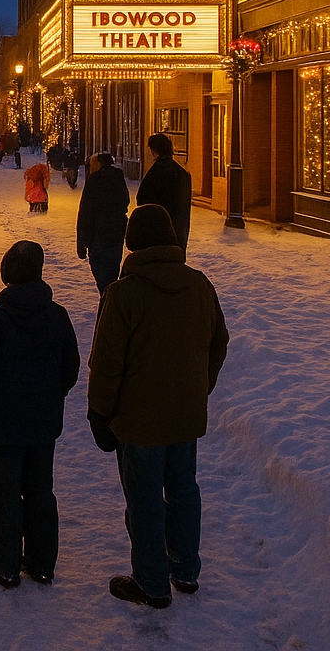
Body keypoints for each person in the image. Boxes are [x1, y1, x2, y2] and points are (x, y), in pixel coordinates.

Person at [87, 205, 229, 609]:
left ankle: (151, 581)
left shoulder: (123, 293)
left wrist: (100, 413)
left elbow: (107, 364)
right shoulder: (199, 285)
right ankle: (184, 569)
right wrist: (200, 386)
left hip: (138, 422)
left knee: (145, 499)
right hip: (185, 417)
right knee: (183, 490)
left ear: (133, 242)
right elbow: (219, 342)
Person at [0, 242, 80, 589]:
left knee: (6, 496)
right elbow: (69, 368)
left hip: (3, 428)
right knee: (41, 492)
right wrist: (49, 396)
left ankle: (7, 566)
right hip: (43, 424)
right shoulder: (57, 316)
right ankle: (42, 564)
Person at [76, 152, 130, 295]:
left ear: (99, 164)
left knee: (100, 270)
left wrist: (82, 240)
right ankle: (110, 295)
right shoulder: (118, 177)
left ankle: (108, 299)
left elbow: (86, 210)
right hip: (116, 232)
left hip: (98, 234)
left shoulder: (95, 179)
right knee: (112, 267)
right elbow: (125, 201)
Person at [136, 133, 193, 252]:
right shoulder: (181, 173)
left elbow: (142, 200)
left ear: (154, 151)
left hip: (157, 235)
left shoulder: (155, 173)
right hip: (178, 232)